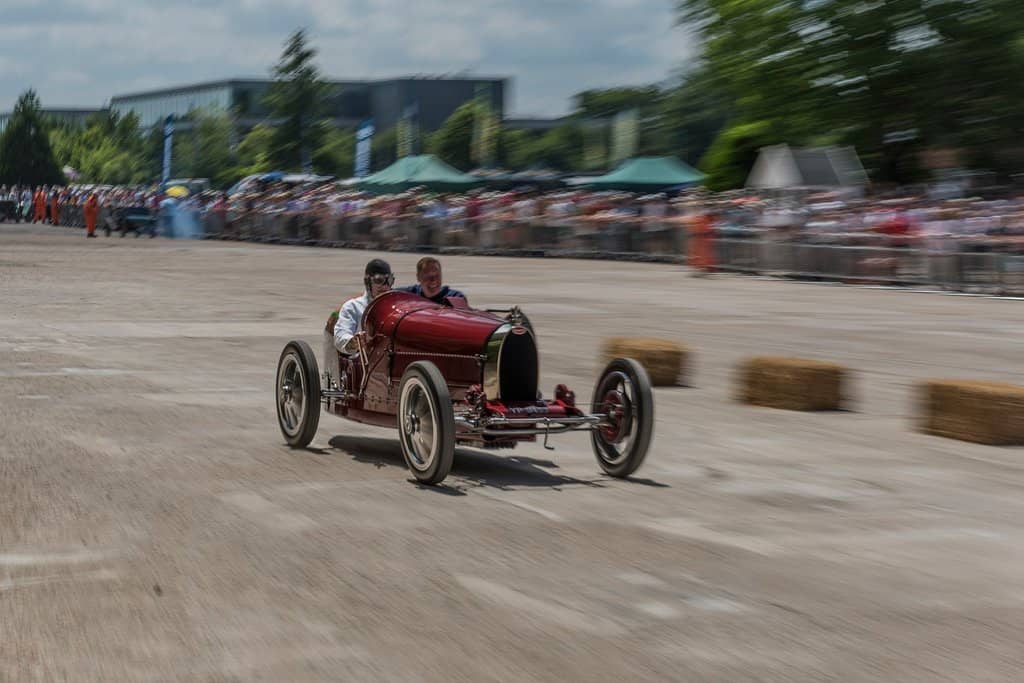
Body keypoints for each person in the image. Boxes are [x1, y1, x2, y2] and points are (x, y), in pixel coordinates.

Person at [333, 259, 393, 354]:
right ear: (368, 282)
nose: (385, 287)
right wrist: (354, 342)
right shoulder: (352, 307)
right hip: (362, 361)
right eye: (379, 280)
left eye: (389, 280)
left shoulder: (397, 308)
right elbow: (340, 335)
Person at [399, 256, 467, 305]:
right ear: (418, 278)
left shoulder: (456, 298)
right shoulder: (410, 295)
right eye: (428, 276)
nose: (433, 280)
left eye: (437, 276)